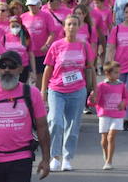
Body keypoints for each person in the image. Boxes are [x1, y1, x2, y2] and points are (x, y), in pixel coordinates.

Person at [40, 13, 96, 171]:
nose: (72, 27)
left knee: (72, 125)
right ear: (64, 27)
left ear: (79, 27)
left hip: (78, 90)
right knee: (56, 121)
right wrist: (43, 90)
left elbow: (90, 69)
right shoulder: (56, 45)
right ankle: (55, 156)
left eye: (74, 24)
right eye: (69, 24)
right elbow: (48, 69)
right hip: (57, 89)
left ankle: (67, 157)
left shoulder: (84, 46)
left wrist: (94, 90)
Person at [92, 58, 128, 169]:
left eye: (119, 72)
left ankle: (109, 161)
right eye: (116, 72)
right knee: (104, 139)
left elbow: (126, 97)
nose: (118, 74)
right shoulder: (101, 86)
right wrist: (91, 99)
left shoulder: (121, 85)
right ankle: (105, 151)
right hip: (104, 114)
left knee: (111, 137)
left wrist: (124, 102)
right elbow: (95, 99)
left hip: (117, 114)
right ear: (107, 73)